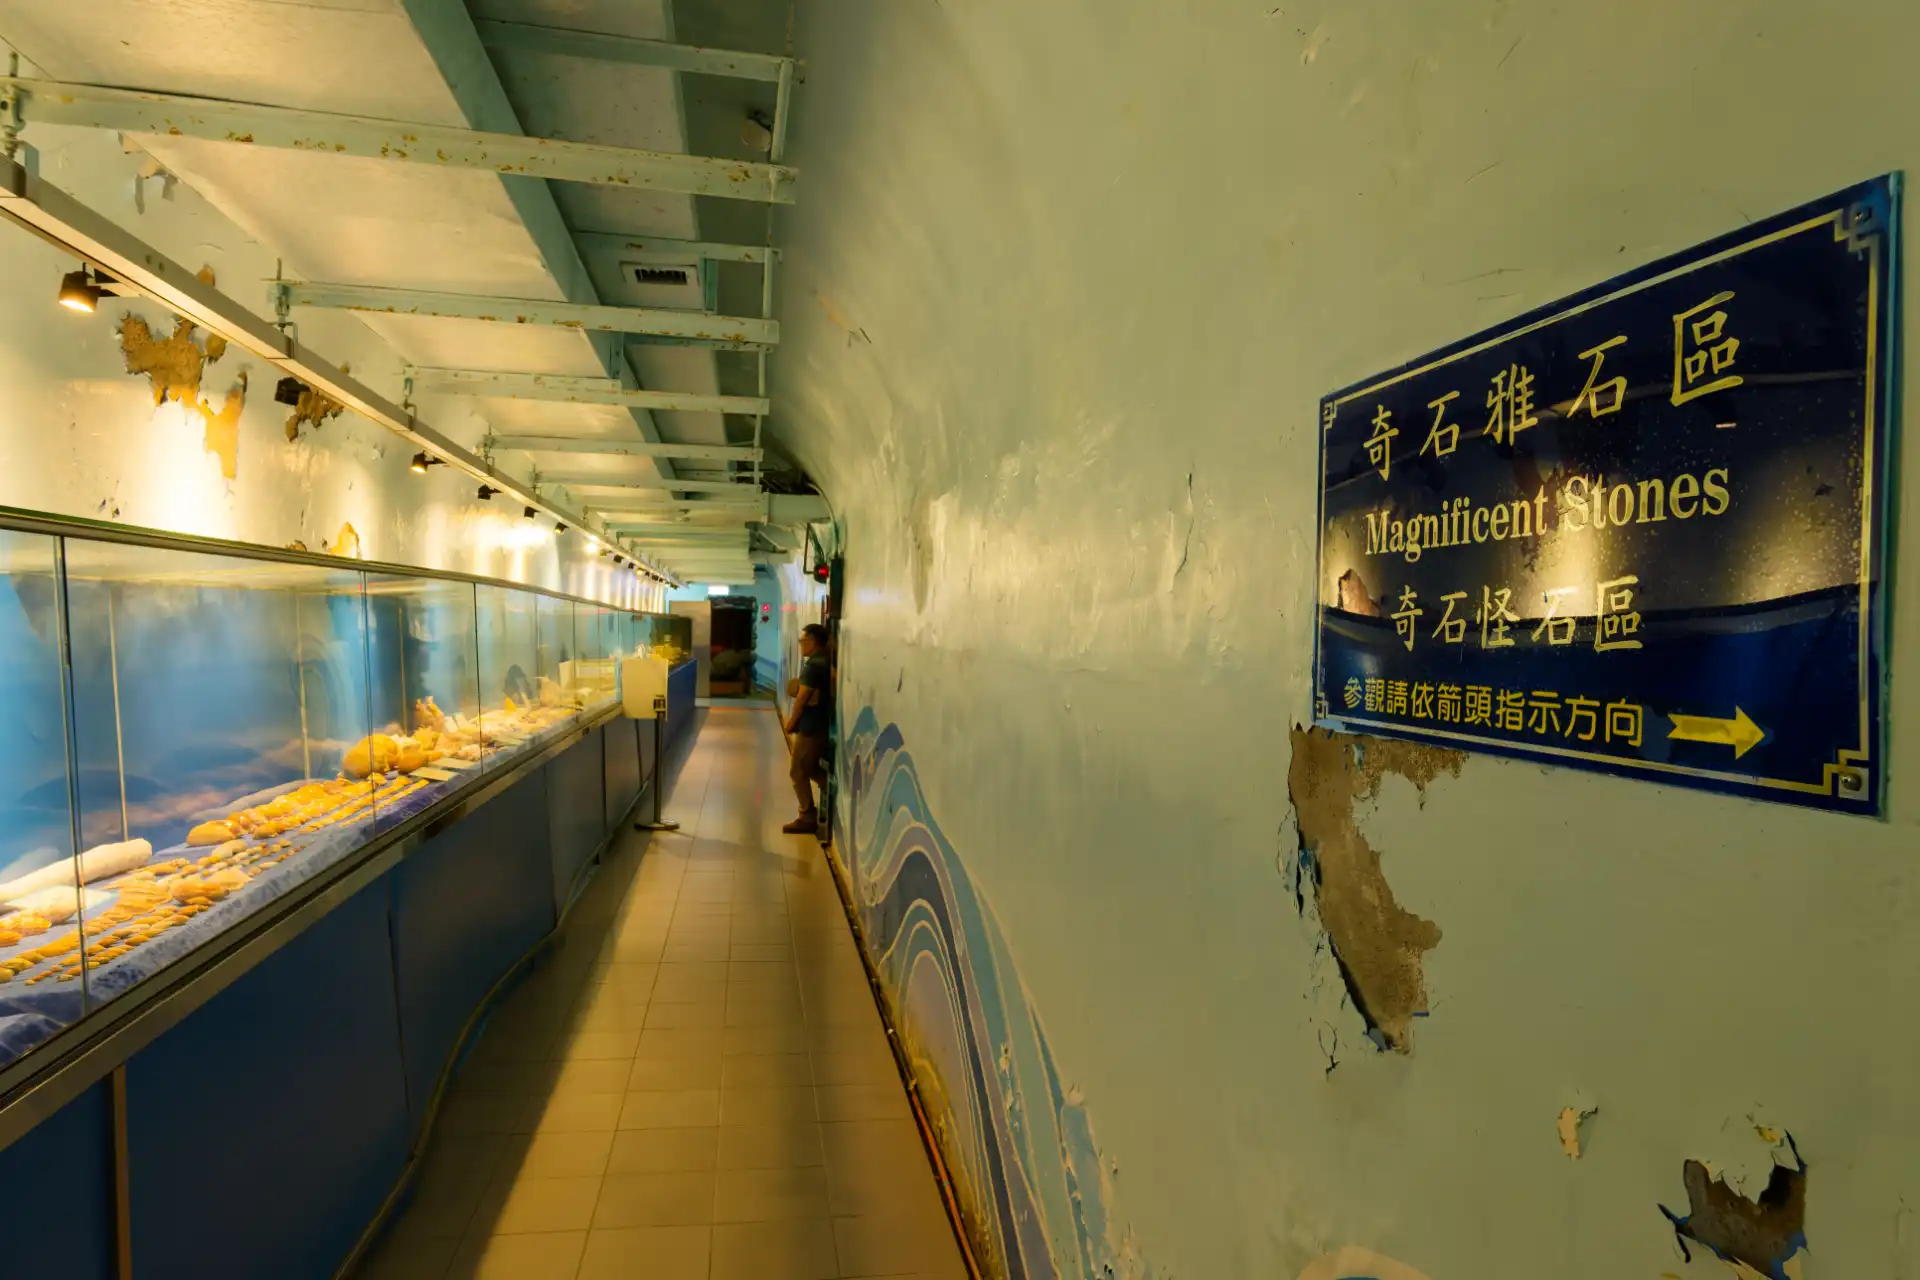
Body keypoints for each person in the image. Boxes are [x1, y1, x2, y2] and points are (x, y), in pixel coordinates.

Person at [782, 624, 832, 834]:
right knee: (809, 767)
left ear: (813, 641)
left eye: (804, 641)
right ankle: (826, 795)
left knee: (797, 770)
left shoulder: (813, 665)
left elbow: (803, 696)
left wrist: (792, 720)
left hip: (811, 727)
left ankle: (807, 815)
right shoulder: (824, 660)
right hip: (820, 724)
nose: (802, 645)